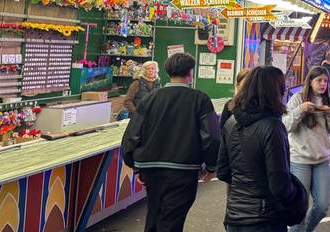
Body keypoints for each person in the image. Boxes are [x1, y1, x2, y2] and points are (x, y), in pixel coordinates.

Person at [121, 53, 220, 232]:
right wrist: (212, 166)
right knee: (172, 220)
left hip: (151, 169)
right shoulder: (200, 99)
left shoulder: (148, 99)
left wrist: (135, 165)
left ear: (167, 73)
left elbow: (133, 134)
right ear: (190, 73)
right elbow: (211, 136)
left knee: (154, 216)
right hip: (184, 170)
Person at [217, 66, 306, 232]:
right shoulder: (272, 127)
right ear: (274, 91)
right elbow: (279, 185)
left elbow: (222, 170)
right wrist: (297, 194)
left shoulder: (231, 122)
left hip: (234, 217)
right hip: (265, 219)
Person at [283, 67, 330, 232]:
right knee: (299, 209)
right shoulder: (297, 99)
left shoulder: (328, 101)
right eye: (319, 80)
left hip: (322, 159)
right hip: (299, 159)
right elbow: (285, 125)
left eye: (326, 81)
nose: (323, 84)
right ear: (310, 81)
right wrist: (301, 110)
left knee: (322, 206)